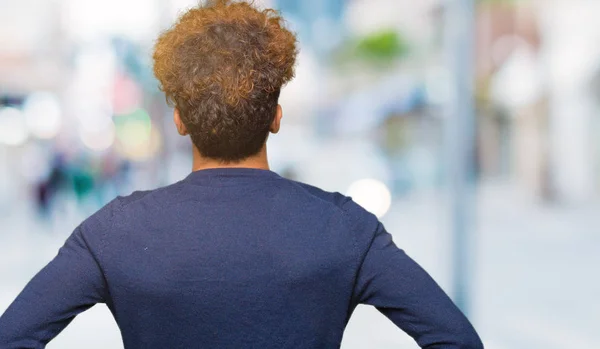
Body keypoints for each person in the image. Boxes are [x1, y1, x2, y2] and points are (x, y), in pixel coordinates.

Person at [0, 1, 483, 348]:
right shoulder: (347, 228)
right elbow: (457, 340)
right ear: (276, 115)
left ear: (179, 120)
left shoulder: (111, 233)